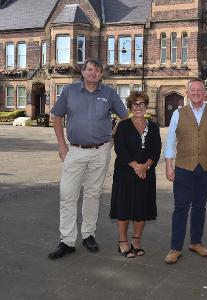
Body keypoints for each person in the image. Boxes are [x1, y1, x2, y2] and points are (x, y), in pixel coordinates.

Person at [48, 58, 128, 259]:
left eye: (97, 70)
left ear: (101, 74)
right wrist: (61, 145)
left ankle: (88, 235)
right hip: (74, 151)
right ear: (82, 72)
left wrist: (111, 136)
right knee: (68, 194)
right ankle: (67, 241)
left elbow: (125, 117)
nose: (93, 73)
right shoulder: (69, 91)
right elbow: (57, 116)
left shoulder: (109, 94)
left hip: (101, 151)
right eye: (89, 69)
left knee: (93, 194)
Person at [164, 78, 207, 264]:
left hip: (206, 167)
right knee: (181, 208)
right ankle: (175, 247)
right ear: (187, 92)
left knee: (200, 206)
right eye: (193, 90)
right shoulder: (178, 113)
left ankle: (196, 242)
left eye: (200, 90)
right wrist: (168, 164)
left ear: (204, 92)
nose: (196, 93)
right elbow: (170, 141)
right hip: (183, 167)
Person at [110, 91, 161, 257]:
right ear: (130, 107)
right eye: (135, 104)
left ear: (146, 106)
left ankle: (136, 240)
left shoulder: (153, 126)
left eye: (142, 104)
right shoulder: (123, 125)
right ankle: (123, 242)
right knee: (124, 207)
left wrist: (145, 166)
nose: (139, 107)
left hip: (146, 173)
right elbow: (120, 149)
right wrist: (136, 166)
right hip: (126, 172)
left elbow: (156, 150)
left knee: (142, 207)